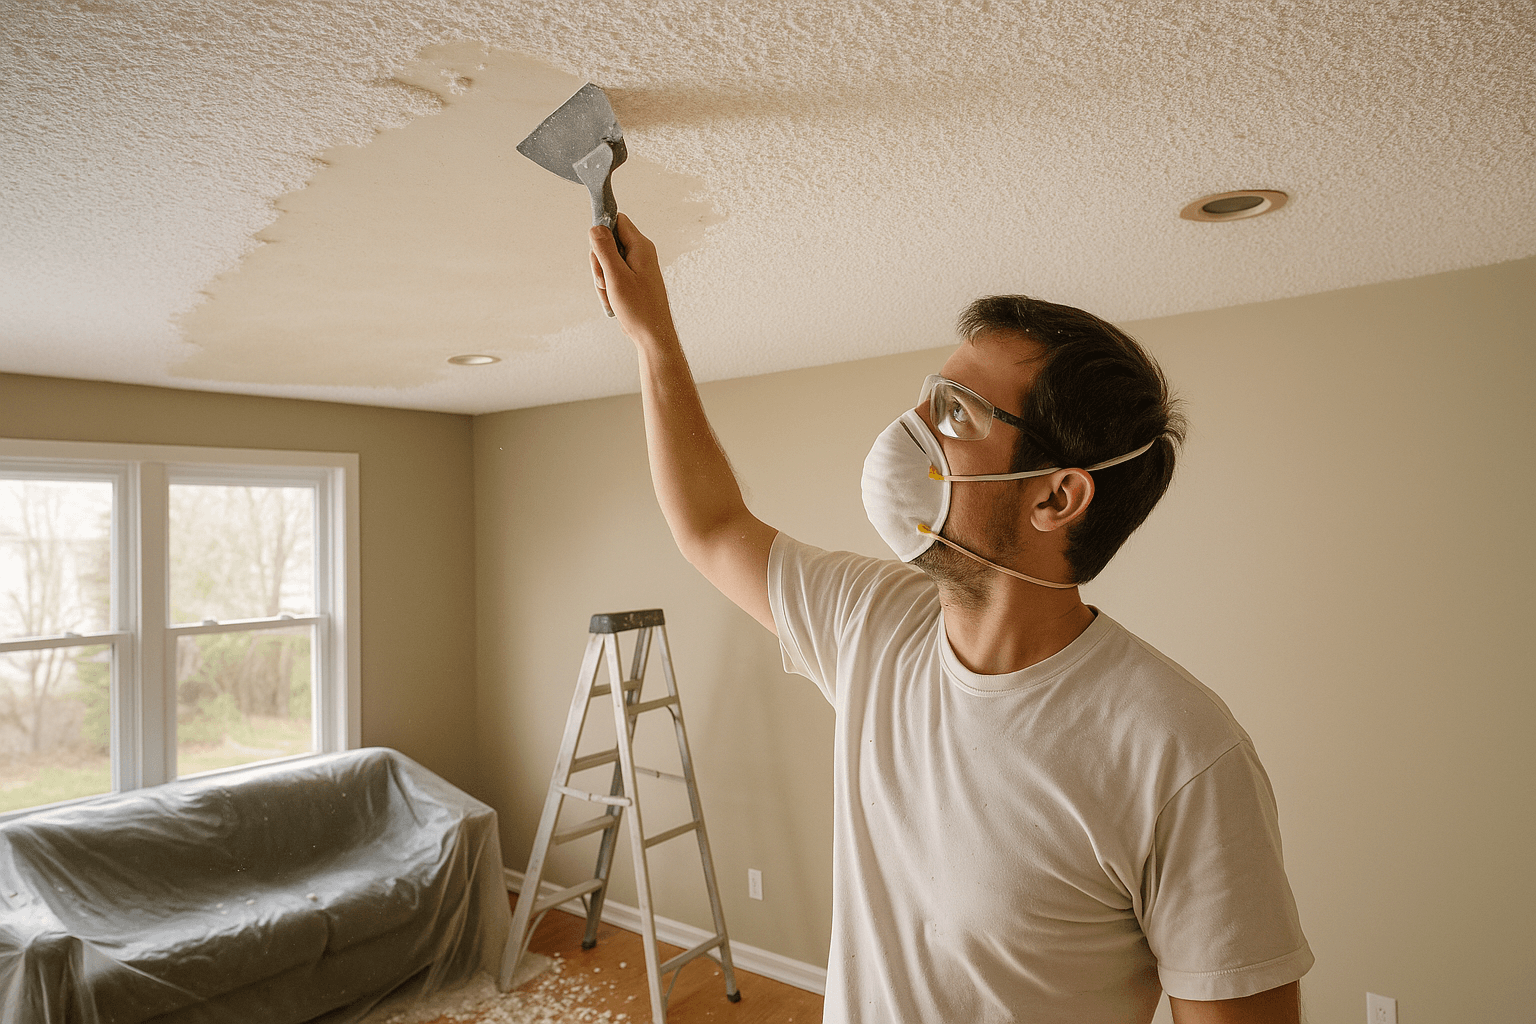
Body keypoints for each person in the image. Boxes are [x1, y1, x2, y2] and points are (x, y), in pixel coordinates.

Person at [588, 214, 1313, 1024]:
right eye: (928, 398)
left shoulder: (1179, 754)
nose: (911, 429)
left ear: (1056, 496)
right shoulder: (874, 624)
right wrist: (653, 337)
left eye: (956, 412)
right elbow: (713, 526)